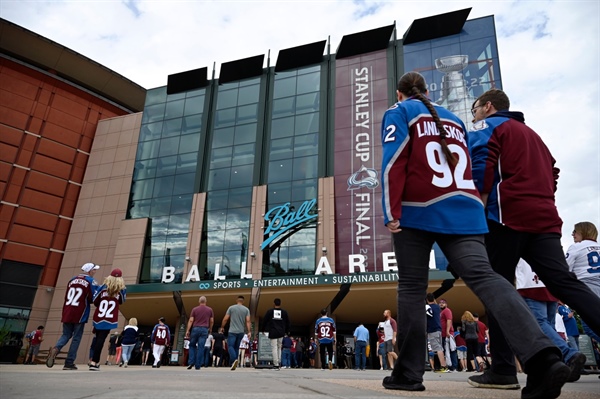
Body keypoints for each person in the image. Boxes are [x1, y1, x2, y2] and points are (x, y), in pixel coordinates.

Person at [379, 72, 570, 397]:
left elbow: (393, 161)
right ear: (427, 91)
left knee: (412, 286)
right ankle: (544, 357)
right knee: (489, 279)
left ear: (400, 94)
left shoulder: (400, 112)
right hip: (464, 208)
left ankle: (409, 374)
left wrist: (390, 211)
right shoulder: (455, 119)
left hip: (418, 206)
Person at [467, 88, 600, 391]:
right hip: (544, 216)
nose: (474, 114)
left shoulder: (488, 126)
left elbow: (481, 165)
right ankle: (507, 368)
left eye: (475, 108)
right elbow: (553, 172)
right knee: (565, 283)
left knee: (496, 288)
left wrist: (477, 212)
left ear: (488, 107)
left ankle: (502, 369)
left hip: (505, 215)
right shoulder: (534, 135)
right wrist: (542, 198)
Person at [516, 259, 587, 382]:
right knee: (550, 328)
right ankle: (558, 364)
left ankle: (568, 354)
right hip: (549, 287)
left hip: (531, 287)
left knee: (540, 324)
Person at [46, 262, 100, 370]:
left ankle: (56, 348)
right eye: (94, 270)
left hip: (68, 311)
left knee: (65, 334)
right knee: (76, 338)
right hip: (80, 312)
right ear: (89, 271)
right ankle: (69, 362)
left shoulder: (71, 280)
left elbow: (66, 296)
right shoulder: (90, 281)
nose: (95, 272)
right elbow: (93, 297)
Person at [565, 221, 600, 343]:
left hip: (586, 287)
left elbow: (565, 269)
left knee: (589, 328)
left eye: (575, 231)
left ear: (582, 231)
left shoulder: (576, 247)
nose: (573, 234)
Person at [89, 268, 127, 371]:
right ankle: (94, 362)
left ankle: (92, 360)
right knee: (100, 340)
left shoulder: (102, 288)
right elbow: (122, 301)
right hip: (110, 319)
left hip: (99, 317)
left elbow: (95, 301)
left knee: (97, 339)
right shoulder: (121, 291)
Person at [220, 295, 251, 371]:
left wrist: (222, 327)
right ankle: (233, 364)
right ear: (243, 301)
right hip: (241, 332)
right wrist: (249, 331)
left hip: (232, 331)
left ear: (237, 300)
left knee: (230, 346)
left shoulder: (231, 308)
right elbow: (248, 321)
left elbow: (225, 319)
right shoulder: (246, 310)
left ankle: (234, 360)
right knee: (237, 347)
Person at [185, 295, 214, 370]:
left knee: (192, 345)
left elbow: (191, 320)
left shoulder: (194, 309)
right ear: (206, 301)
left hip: (195, 328)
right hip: (204, 329)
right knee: (201, 347)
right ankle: (198, 365)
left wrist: (188, 330)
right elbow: (211, 321)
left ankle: (191, 362)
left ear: (199, 301)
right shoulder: (210, 310)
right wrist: (210, 329)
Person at [262, 297, 290, 370]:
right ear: (280, 304)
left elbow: (265, 321)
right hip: (281, 332)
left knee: (274, 347)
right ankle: (279, 362)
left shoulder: (270, 311)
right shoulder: (284, 312)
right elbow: (288, 322)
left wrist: (263, 329)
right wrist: (287, 331)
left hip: (273, 331)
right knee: (279, 347)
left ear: (274, 303)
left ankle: (276, 364)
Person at [425, 293, 449, 372]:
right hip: (438, 329)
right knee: (440, 348)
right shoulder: (437, 307)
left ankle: (443, 366)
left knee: (437, 348)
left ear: (427, 299)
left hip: (432, 329)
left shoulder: (427, 307)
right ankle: (443, 365)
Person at [438, 299, 458, 371]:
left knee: (451, 349)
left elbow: (449, 320)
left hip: (448, 334)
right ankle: (449, 365)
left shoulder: (447, 311)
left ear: (446, 304)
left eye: (443, 303)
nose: (441, 304)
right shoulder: (441, 312)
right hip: (442, 334)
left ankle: (454, 366)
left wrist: (447, 331)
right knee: (446, 351)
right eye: (440, 303)